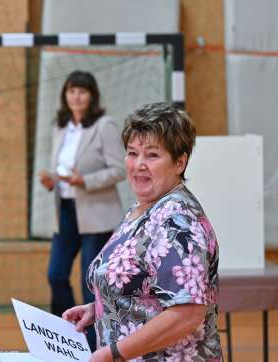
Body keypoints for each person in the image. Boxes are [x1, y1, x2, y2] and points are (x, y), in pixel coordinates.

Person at [63, 102, 222, 361]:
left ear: (179, 162)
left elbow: (186, 314)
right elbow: (146, 290)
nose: (138, 164)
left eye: (152, 155)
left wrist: (114, 353)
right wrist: (102, 307)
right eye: (132, 153)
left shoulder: (177, 220)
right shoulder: (144, 206)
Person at [38, 70, 125, 350]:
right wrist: (52, 180)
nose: (76, 96)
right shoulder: (61, 127)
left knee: (89, 282)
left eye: (82, 91)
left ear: (92, 96)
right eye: (71, 90)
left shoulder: (104, 125)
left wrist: (85, 181)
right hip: (65, 211)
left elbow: (120, 169)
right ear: (65, 95)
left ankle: (90, 344)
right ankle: (63, 335)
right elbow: (64, 170)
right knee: (56, 274)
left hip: (96, 216)